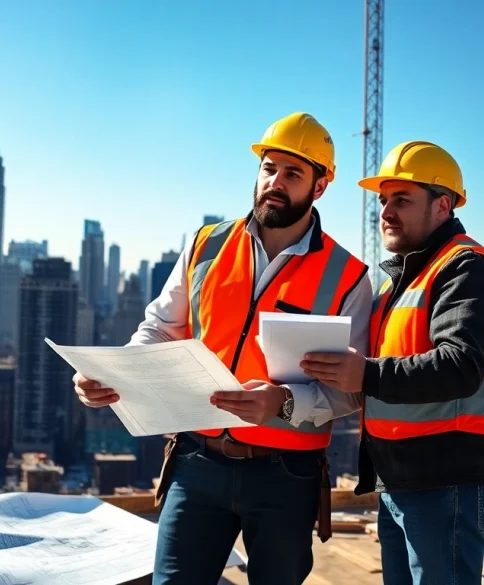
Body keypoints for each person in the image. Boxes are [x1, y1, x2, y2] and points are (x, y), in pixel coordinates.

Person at [71, 112, 372, 585]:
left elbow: (349, 392)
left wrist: (283, 402)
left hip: (286, 476)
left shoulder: (348, 276)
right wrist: (118, 373)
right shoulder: (206, 245)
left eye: (293, 173)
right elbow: (161, 328)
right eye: (269, 168)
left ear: (319, 187)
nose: (276, 181)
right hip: (197, 462)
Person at [300, 140, 484, 584]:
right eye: (383, 200)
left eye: (401, 200)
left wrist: (364, 372)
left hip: (447, 479)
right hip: (402, 482)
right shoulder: (403, 281)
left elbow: (460, 365)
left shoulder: (467, 268)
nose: (385, 211)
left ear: (442, 205)